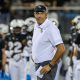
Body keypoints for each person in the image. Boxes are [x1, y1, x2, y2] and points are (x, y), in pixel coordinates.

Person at [32, 5, 65, 80]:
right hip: (38, 64)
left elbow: (61, 48)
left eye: (41, 13)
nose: (39, 16)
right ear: (34, 14)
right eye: (37, 13)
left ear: (46, 14)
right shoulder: (36, 25)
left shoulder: (51, 28)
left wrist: (50, 65)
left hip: (46, 64)